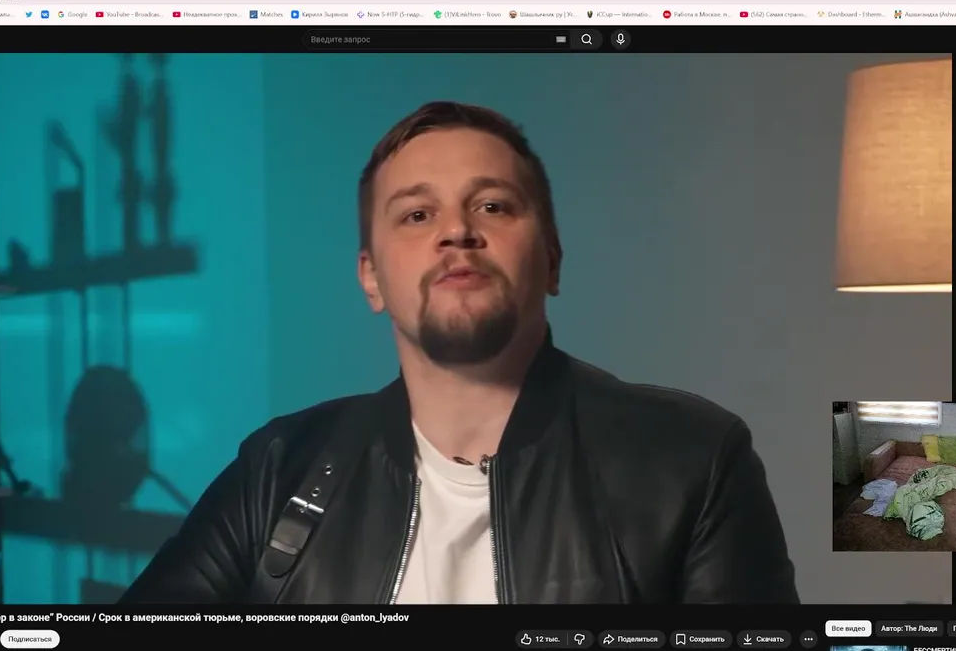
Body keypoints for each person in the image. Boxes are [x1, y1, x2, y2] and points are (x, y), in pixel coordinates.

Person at [121, 101, 799, 605]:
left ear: (552, 260)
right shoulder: (278, 469)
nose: (457, 232)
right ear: (370, 278)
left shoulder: (693, 460)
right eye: (417, 214)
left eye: (494, 206)